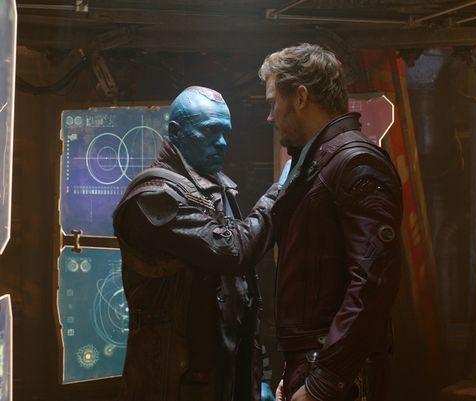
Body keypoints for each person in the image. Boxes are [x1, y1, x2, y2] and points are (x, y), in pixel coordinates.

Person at [113, 86, 277, 401]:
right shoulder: (154, 197)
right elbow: (232, 253)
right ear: (176, 132)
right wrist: (279, 192)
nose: (222, 142)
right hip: (171, 385)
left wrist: (256, 377)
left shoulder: (214, 187)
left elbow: (240, 295)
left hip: (216, 380)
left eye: (226, 133)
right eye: (210, 131)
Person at [259, 44, 403, 401]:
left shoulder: (355, 163)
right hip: (319, 366)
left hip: (340, 377)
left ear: (301, 97)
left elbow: (372, 282)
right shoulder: (321, 163)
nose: (270, 117)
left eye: (273, 102)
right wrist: (298, 369)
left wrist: (323, 380)